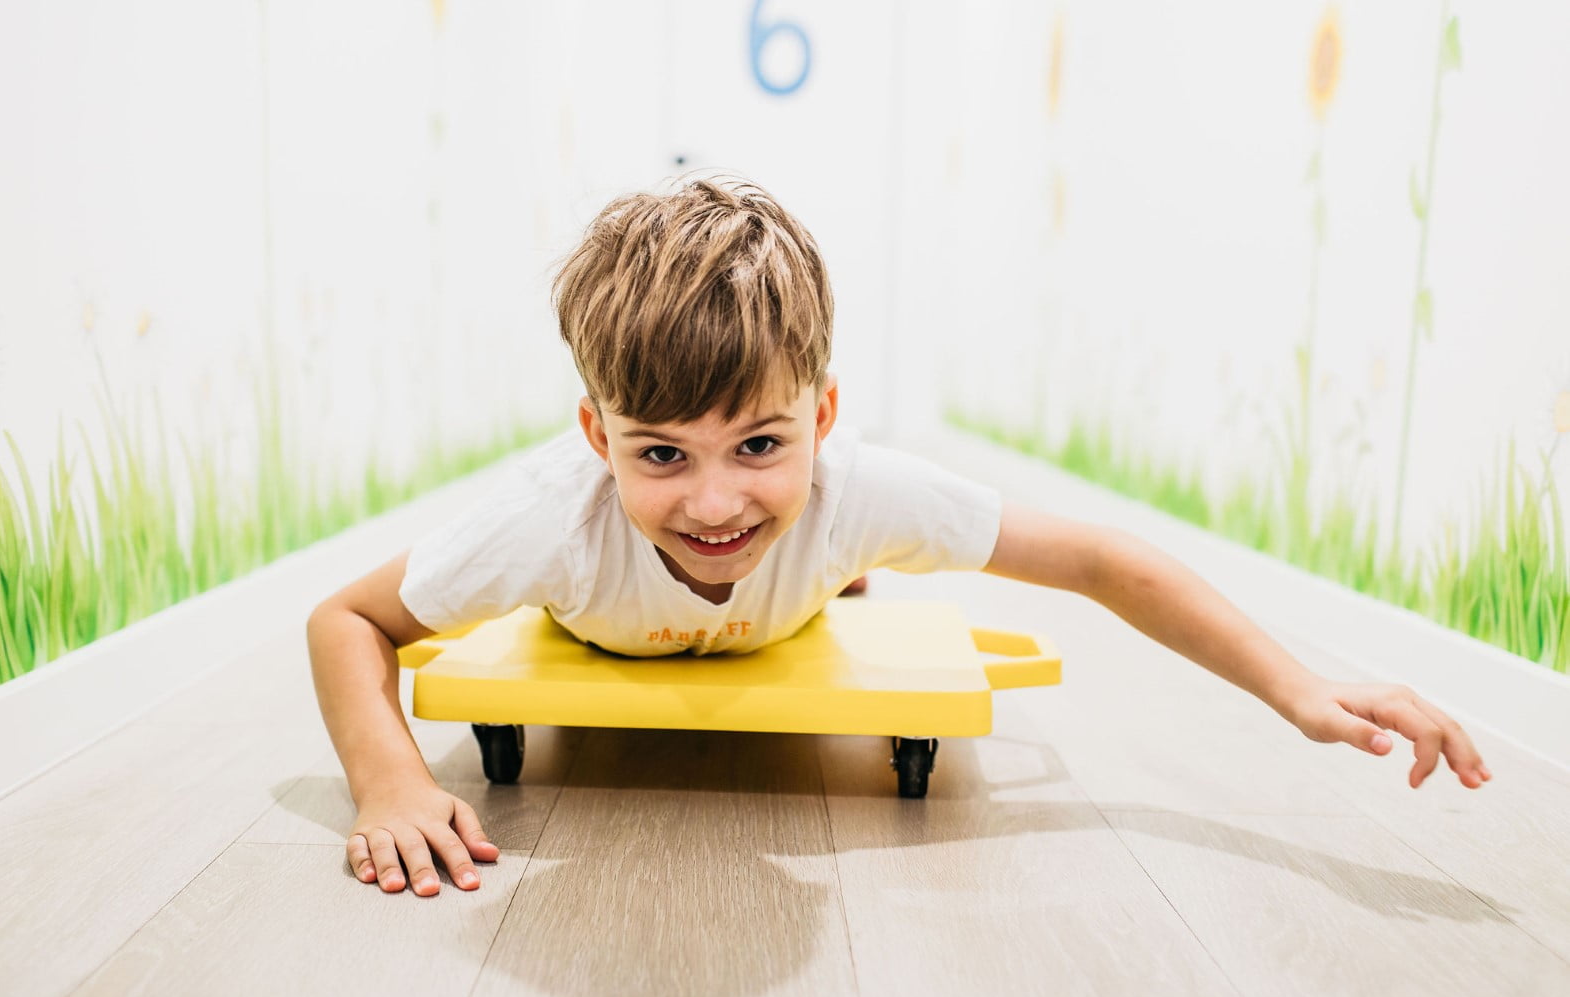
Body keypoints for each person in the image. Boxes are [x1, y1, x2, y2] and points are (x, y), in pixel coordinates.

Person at [305, 175, 1491, 898]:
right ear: (594, 434)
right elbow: (346, 619)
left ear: (823, 416)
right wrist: (391, 781)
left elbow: (1098, 560)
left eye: (761, 445)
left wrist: (1303, 689)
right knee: (769, 542)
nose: (715, 502)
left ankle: (843, 580)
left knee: (840, 549)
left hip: (827, 567)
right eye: (660, 454)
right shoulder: (545, 519)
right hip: (601, 617)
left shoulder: (857, 487)